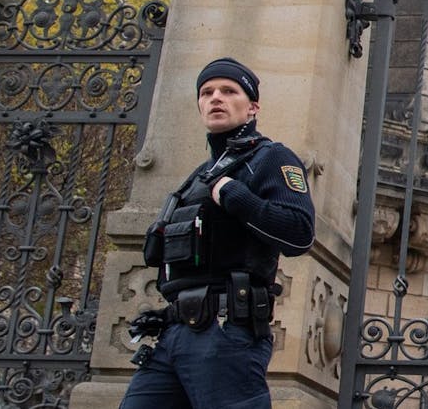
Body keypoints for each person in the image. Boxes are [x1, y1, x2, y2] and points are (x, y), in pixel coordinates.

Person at [124, 57, 316, 409]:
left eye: (229, 91)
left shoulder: (271, 158)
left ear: (252, 106)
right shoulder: (197, 177)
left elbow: (299, 234)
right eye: (207, 92)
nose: (216, 98)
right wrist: (167, 315)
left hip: (227, 334)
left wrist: (235, 196)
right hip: (175, 335)